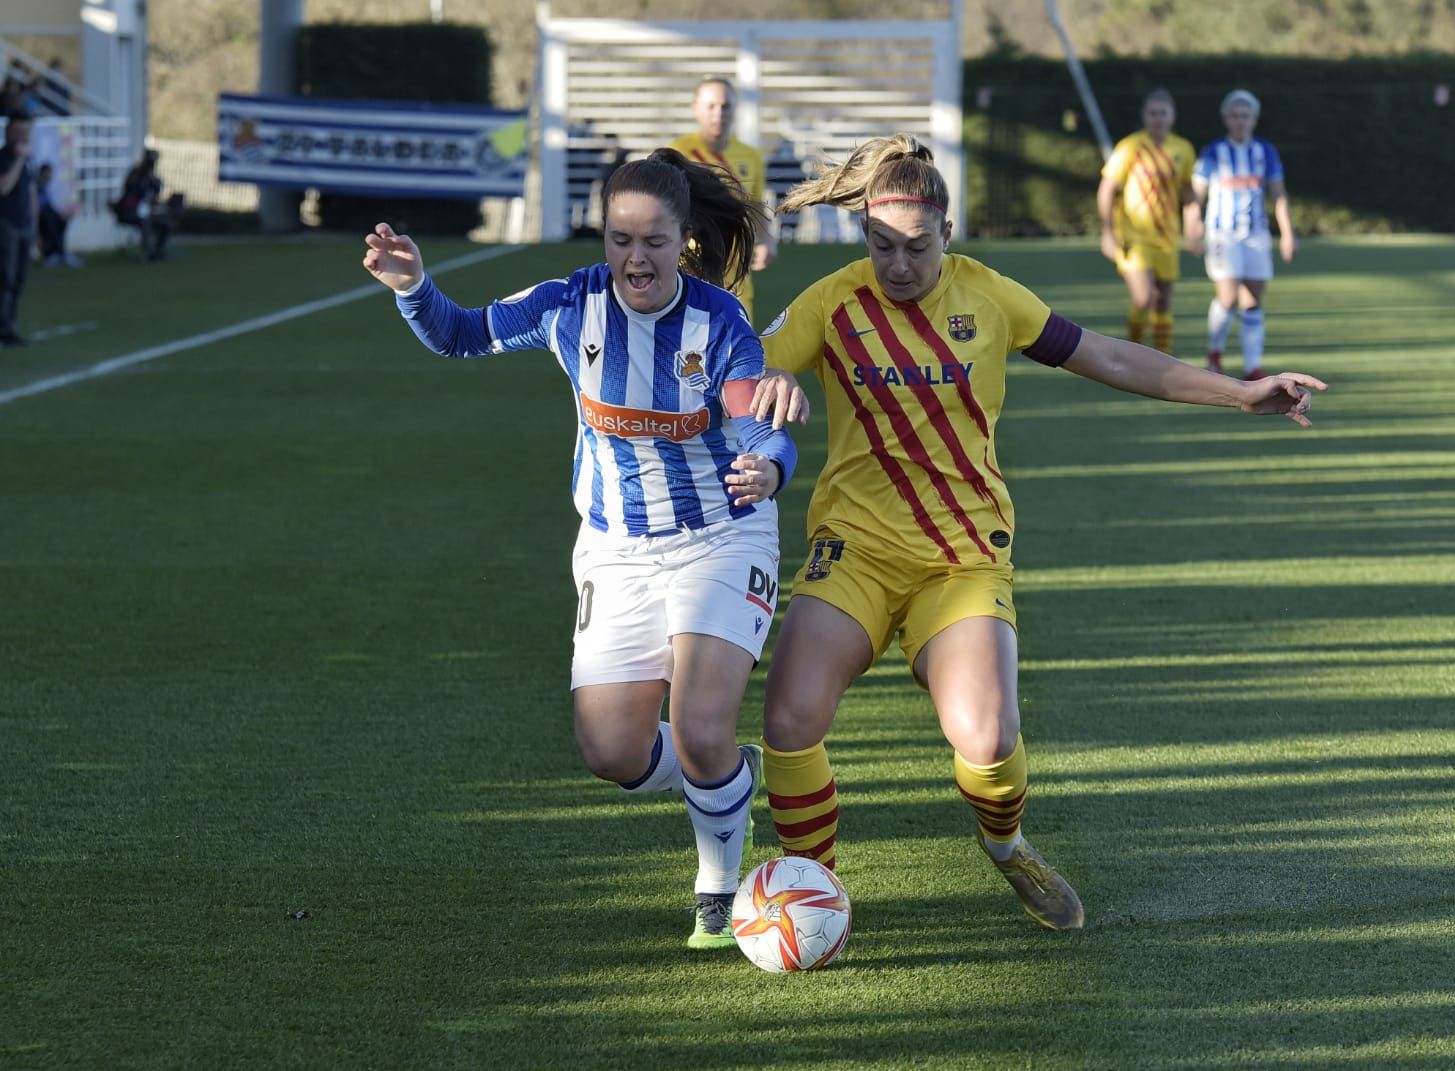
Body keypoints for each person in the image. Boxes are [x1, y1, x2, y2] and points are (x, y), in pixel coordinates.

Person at [750, 134, 1325, 931]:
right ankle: (812, 897)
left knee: (985, 736)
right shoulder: (832, 302)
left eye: (918, 247)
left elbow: (1114, 359)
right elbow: (738, 373)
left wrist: (1241, 393)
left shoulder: (990, 297)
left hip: (962, 560)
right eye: (882, 247)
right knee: (788, 719)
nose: (899, 265)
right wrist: (766, 376)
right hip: (855, 550)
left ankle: (1007, 844)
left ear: (948, 232)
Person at [362, 147, 802, 950]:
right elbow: (461, 336)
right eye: (619, 239)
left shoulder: (718, 321)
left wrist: (768, 468)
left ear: (685, 240)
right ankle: (724, 780)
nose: (635, 258)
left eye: (653, 242)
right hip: (614, 547)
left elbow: (758, 424)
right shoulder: (569, 304)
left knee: (698, 725)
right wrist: (412, 288)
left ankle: (717, 884)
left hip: (719, 534)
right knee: (611, 749)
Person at [1184, 89, 1296, 379]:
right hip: (1222, 233)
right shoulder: (1213, 152)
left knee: (1253, 298)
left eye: (1245, 116)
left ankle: (1252, 366)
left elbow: (1278, 193)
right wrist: (1192, 224)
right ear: (1226, 119)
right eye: (1234, 116)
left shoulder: (1265, 152)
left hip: (1255, 234)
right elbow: (1196, 194)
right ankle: (1215, 352)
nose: (1240, 121)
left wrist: (1286, 233)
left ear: (1254, 120)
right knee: (1228, 294)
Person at [1096, 89, 1196, 356]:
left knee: (1163, 302)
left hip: (1167, 237)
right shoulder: (1130, 147)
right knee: (1144, 298)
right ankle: (1134, 354)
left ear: (1172, 116)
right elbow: (1107, 189)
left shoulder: (1183, 149)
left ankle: (1164, 358)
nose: (1158, 119)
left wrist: (1194, 225)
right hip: (1133, 236)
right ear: (1144, 116)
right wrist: (1107, 232)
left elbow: (1188, 191)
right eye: (1153, 113)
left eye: (1163, 113)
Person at [668, 77, 777, 320]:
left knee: (737, 340)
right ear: (695, 108)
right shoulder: (679, 153)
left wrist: (766, 239)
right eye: (711, 106)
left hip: (736, 268)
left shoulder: (750, 156)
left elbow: (755, 204)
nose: (719, 113)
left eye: (725, 106)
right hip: (690, 265)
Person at [0, 112, 37, 347]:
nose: (23, 135)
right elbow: (3, 187)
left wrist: (36, 225)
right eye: (19, 130)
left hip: (25, 226)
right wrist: (19, 160)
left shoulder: (29, 158)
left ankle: (10, 325)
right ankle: (3, 329)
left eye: (26, 130)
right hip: (6, 224)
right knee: (5, 279)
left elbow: (31, 192)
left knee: (19, 280)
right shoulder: (5, 157)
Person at [113, 149, 174, 261]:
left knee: (166, 224)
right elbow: (132, 190)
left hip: (145, 213)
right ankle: (149, 252)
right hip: (130, 212)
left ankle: (159, 251)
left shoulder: (152, 178)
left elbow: (155, 192)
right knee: (145, 222)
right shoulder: (135, 174)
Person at [36, 162, 80, 267]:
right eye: (47, 173)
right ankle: (53, 253)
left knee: (61, 222)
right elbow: (39, 206)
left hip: (48, 216)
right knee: (51, 225)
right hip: (41, 218)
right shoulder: (37, 186)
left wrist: (60, 214)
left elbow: (50, 207)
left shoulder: (45, 188)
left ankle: (60, 252)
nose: (49, 176)